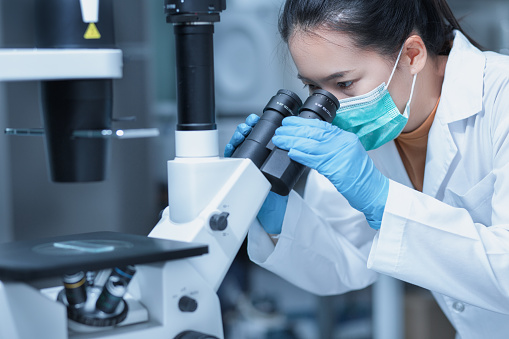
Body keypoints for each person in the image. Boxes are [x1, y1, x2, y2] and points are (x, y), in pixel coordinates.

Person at [225, 0, 509, 338]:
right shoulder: (363, 132)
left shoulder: (500, 97)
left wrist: (382, 200)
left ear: (412, 55)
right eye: (314, 88)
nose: (332, 108)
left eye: (344, 85)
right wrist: (277, 214)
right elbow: (344, 263)